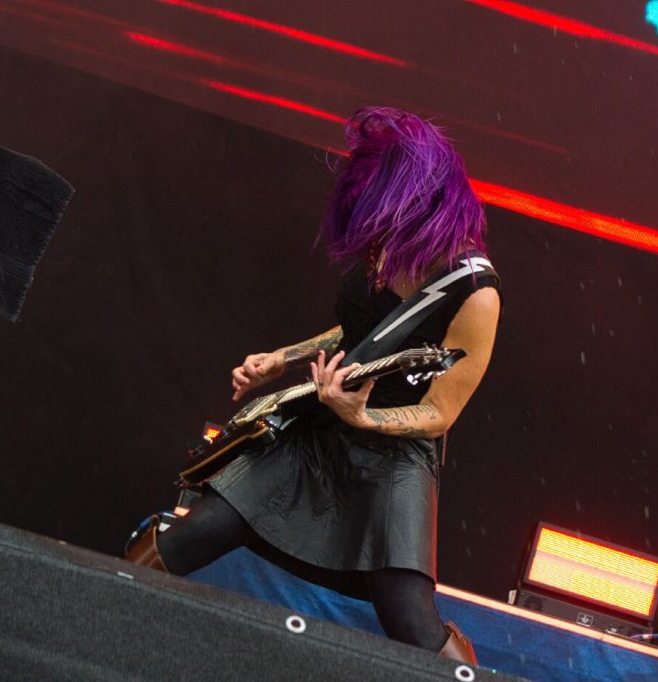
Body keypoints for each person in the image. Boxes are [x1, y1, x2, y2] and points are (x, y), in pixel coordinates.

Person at [126, 107, 501, 665]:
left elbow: (440, 413)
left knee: (412, 623)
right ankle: (100, 612)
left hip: (394, 458)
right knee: (193, 533)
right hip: (319, 432)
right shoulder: (383, 247)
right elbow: (359, 332)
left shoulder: (475, 293)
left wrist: (365, 417)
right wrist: (283, 358)